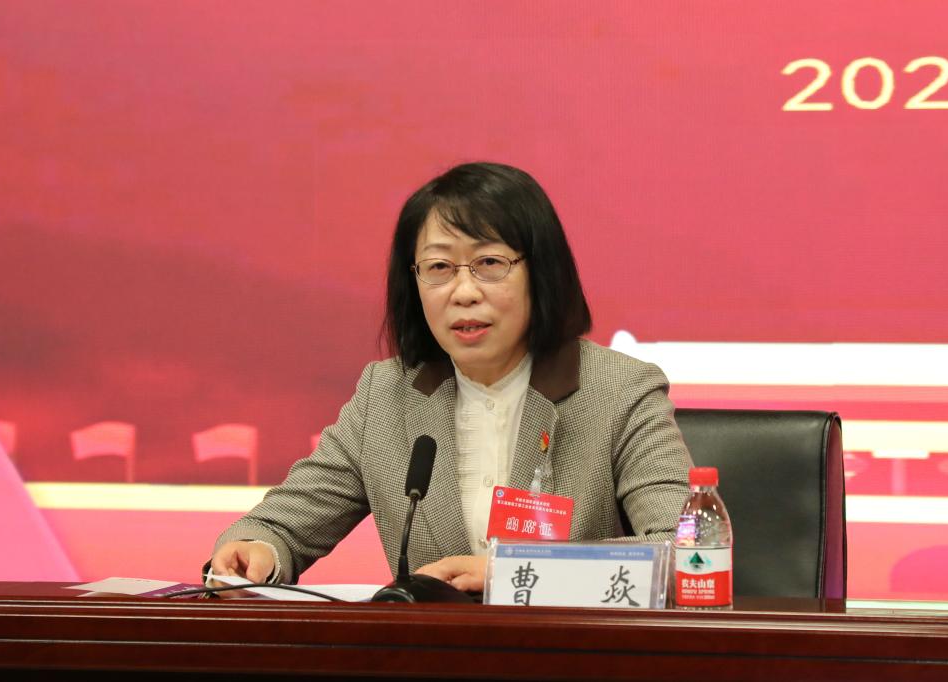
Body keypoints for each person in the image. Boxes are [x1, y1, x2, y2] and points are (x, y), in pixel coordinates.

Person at [208, 162, 692, 593]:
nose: (463, 292)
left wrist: (518, 570)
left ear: (540, 272)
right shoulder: (386, 396)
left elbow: (688, 555)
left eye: (489, 264)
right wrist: (257, 550)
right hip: (433, 655)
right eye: (439, 267)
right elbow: (281, 526)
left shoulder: (619, 391)